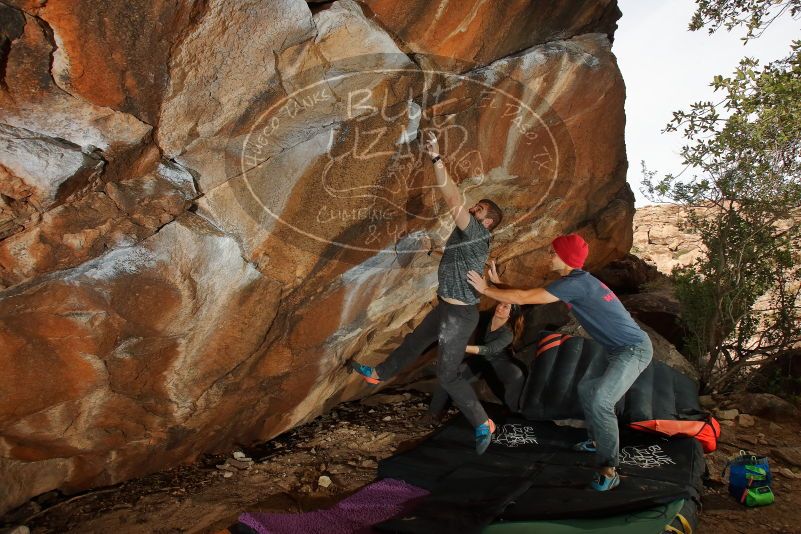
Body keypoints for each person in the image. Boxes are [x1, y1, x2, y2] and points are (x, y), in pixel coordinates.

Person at [350, 132, 504, 454]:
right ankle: (380, 373)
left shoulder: (476, 232)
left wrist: (436, 159)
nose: (472, 210)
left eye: (479, 210)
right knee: (415, 341)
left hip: (460, 316)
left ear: (487, 222)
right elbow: (455, 261)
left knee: (447, 376)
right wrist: (434, 251)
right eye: (474, 208)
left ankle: (482, 422)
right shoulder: (468, 239)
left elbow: (453, 200)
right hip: (447, 308)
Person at [466, 234, 653, 490]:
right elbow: (533, 294)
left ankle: (609, 468)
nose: (549, 256)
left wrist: (486, 289)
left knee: (601, 399)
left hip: (634, 350)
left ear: (565, 257)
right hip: (618, 349)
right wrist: (501, 285)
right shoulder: (575, 282)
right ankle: (597, 441)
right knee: (587, 389)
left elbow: (524, 298)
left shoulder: (576, 284)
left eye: (553, 253)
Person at [427, 261, 526, 421]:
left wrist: (460, 347)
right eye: (500, 304)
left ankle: (513, 413)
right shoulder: (485, 317)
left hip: (498, 362)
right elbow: (508, 296)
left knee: (516, 375)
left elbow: (488, 350)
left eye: (505, 307)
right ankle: (433, 413)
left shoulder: (508, 333)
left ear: (511, 314)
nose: (500, 307)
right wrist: (496, 284)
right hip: (479, 360)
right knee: (448, 375)